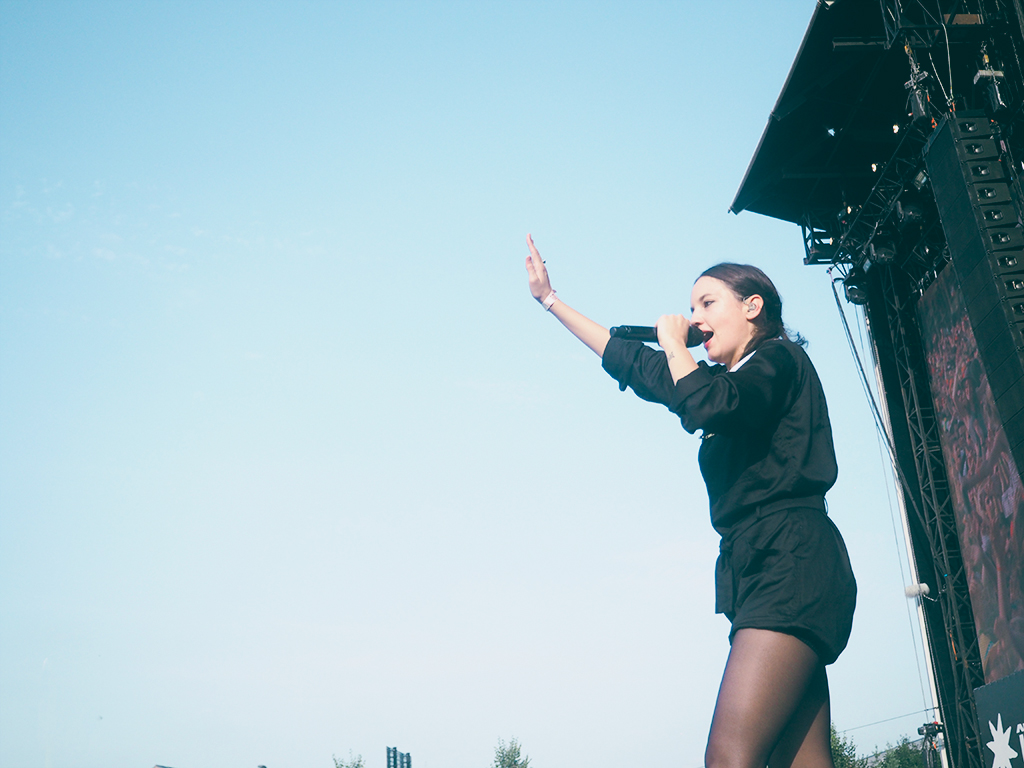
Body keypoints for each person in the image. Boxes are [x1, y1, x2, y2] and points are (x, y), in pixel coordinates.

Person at [524, 234, 856, 768]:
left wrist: (676, 346)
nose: (694, 316)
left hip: (791, 561)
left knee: (729, 758)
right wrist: (549, 300)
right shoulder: (717, 380)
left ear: (753, 307)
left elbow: (713, 407)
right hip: (760, 567)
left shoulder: (779, 361)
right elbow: (633, 362)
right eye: (691, 307)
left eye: (708, 303)